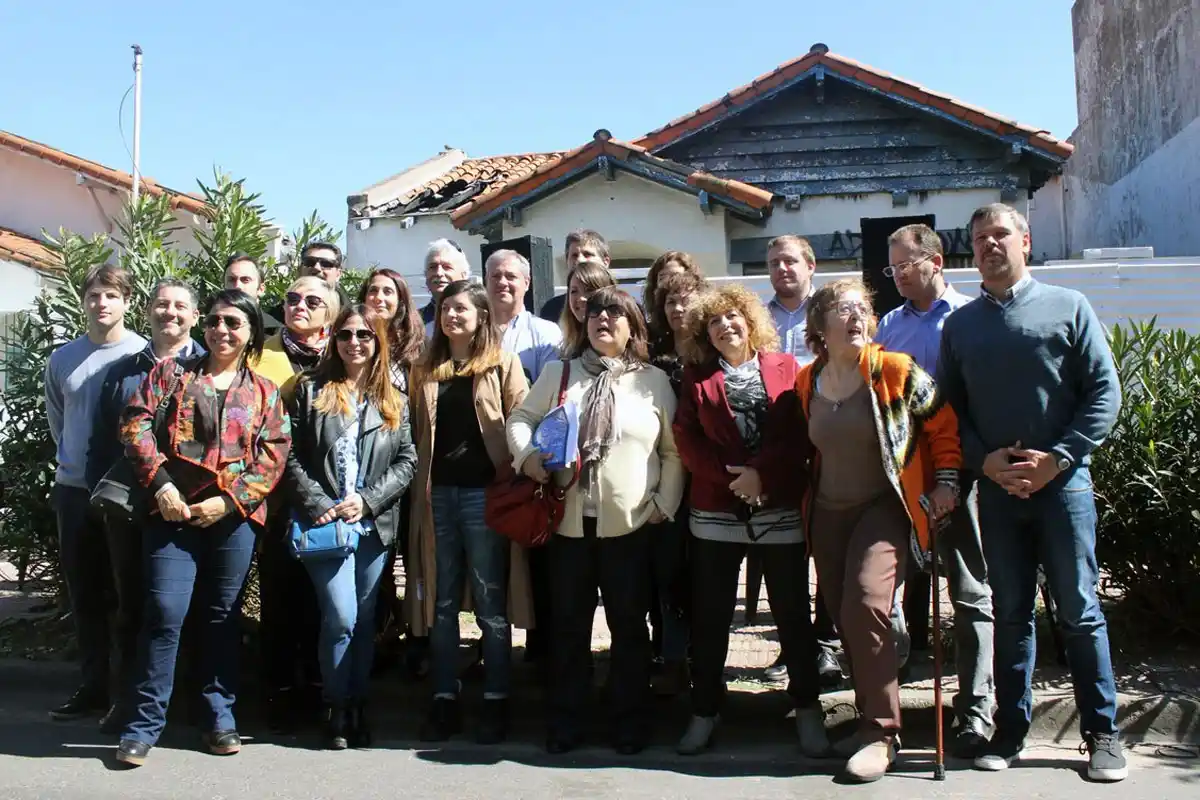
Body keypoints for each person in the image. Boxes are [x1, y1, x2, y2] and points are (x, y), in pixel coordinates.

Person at [938, 204, 1126, 782]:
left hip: (1062, 489)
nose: (990, 245)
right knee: (1012, 613)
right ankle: (1011, 732)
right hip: (997, 494)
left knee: (1079, 611)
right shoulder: (961, 326)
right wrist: (983, 461)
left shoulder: (1069, 306)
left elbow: (1104, 394)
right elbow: (950, 413)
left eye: (1000, 235)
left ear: (1025, 239)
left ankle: (1103, 735)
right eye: (980, 238)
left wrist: (1060, 459)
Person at [114, 290, 291, 767]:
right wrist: (161, 485)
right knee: (165, 612)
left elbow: (273, 454)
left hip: (231, 520)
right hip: (170, 513)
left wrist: (229, 501)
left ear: (252, 331)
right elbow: (135, 424)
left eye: (234, 322)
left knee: (221, 617)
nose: (221, 330)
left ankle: (219, 717)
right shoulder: (171, 374)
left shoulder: (264, 392)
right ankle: (144, 724)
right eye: (214, 321)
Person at [796, 277, 961, 783]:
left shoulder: (895, 371)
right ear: (819, 326)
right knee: (844, 618)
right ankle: (873, 704)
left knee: (865, 602)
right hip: (827, 512)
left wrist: (948, 482)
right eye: (842, 310)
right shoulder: (809, 381)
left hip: (884, 508)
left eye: (861, 309)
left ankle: (880, 733)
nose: (856, 318)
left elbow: (942, 424)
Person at [507, 286, 684, 755]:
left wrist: (663, 505)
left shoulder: (653, 382)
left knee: (629, 629)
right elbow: (521, 417)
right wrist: (528, 458)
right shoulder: (560, 373)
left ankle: (629, 721)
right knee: (568, 629)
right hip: (567, 525)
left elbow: (671, 451)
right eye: (595, 313)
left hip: (629, 527)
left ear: (632, 327)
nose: (603, 319)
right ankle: (567, 721)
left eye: (615, 313)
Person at [672, 284, 828, 756]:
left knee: (793, 616)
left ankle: (807, 710)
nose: (725, 326)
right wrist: (732, 479)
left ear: (751, 320)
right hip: (716, 511)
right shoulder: (695, 377)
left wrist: (762, 475)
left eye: (732, 317)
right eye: (714, 323)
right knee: (711, 618)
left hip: (778, 504)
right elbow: (687, 438)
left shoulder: (785, 367)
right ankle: (704, 711)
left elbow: (802, 432)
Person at [875, 223, 994, 758]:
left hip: (960, 476)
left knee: (969, 594)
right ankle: (885, 710)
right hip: (902, 479)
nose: (898, 275)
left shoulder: (969, 317)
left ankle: (976, 710)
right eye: (892, 267)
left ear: (937, 262)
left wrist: (953, 476)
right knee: (883, 591)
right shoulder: (887, 325)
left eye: (907, 265)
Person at [286, 305, 417, 750]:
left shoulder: (393, 399)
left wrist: (368, 500)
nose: (355, 342)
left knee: (362, 622)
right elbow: (289, 455)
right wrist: (320, 502)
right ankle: (337, 704)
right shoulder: (310, 392)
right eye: (345, 334)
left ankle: (357, 705)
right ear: (333, 340)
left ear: (377, 342)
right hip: (324, 523)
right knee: (340, 616)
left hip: (372, 525)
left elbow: (408, 460)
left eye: (365, 335)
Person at [408, 280, 532, 745]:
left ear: (482, 315)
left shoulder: (503, 363)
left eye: (461, 308)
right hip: (436, 495)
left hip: (486, 496)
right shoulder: (425, 367)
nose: (451, 316)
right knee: (440, 602)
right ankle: (444, 696)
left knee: (488, 601)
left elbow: (523, 420)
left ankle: (497, 698)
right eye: (445, 308)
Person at [85, 278, 204, 733]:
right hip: (131, 508)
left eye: (180, 306)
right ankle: (126, 701)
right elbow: (102, 440)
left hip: (186, 508)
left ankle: (184, 702)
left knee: (180, 607)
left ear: (194, 316)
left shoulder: (206, 368)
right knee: (131, 604)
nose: (170, 313)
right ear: (148, 312)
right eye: (161, 305)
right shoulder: (123, 370)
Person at [44, 264, 147, 724]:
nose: (101, 303)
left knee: (128, 595)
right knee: (84, 594)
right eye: (94, 295)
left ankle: (127, 693)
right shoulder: (63, 359)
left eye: (111, 295)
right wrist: (73, 466)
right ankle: (92, 686)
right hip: (72, 490)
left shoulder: (145, 354)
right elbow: (59, 422)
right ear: (83, 300)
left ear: (126, 301)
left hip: (126, 493)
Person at [253, 275, 341, 732]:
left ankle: (318, 689)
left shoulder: (344, 353)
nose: (299, 306)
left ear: (331, 312)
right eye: (291, 299)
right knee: (279, 598)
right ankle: (279, 692)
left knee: (320, 602)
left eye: (312, 301)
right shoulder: (260, 352)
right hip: (273, 499)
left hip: (330, 500)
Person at [761, 235, 842, 687]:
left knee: (828, 545)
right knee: (788, 551)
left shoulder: (829, 312)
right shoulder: (760, 318)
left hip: (831, 437)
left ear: (810, 265)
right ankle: (792, 646)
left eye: (790, 261)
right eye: (774, 263)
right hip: (782, 443)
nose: (782, 269)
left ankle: (826, 644)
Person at [358, 267, 425, 673]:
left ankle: (415, 639)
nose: (380, 297)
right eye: (373, 290)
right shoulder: (352, 341)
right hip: (365, 475)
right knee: (374, 566)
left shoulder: (417, 353)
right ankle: (378, 638)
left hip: (409, 468)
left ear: (402, 301)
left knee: (412, 560)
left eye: (389, 292)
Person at [645, 269, 708, 696]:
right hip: (666, 479)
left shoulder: (715, 354)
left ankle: (703, 663)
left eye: (686, 300)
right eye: (670, 302)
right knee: (666, 576)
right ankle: (671, 660)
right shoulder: (653, 358)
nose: (678, 308)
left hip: (709, 484)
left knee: (703, 580)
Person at [486, 249, 563, 385]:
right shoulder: (472, 329)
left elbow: (550, 389)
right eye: (495, 276)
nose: (502, 282)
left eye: (510, 276)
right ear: (486, 281)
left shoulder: (546, 332)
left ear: (526, 283)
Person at [538, 229, 611, 322]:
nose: (580, 260)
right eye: (574, 255)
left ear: (606, 262)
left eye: (587, 254)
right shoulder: (552, 309)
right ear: (567, 261)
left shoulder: (624, 306)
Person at [558, 260, 617, 355]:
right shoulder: (565, 349)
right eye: (574, 291)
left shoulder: (616, 345)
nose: (581, 298)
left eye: (589, 290)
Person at [419, 239, 471, 333]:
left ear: (464, 275)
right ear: (425, 275)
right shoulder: (414, 320)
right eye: (433, 267)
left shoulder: (476, 317)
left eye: (447, 267)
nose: (439, 273)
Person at [223, 253, 282, 332]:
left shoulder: (277, 334)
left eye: (246, 280)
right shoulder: (211, 330)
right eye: (231, 280)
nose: (237, 286)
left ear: (261, 289)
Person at [298, 241, 353, 310]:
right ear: (299, 270)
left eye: (326, 263)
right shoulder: (283, 313)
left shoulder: (350, 317)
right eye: (310, 262)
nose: (316, 268)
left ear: (338, 274)